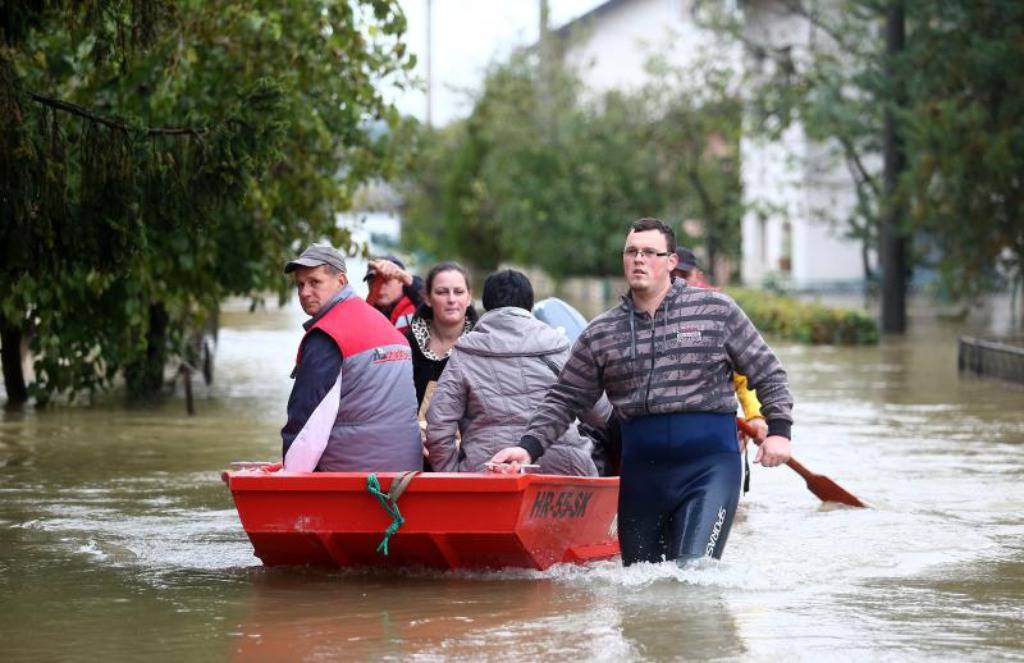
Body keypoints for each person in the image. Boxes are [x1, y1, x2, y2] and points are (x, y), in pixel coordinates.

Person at [489, 218, 794, 566]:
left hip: (708, 467)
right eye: (631, 252)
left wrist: (780, 431)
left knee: (693, 574)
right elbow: (564, 399)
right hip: (641, 477)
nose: (638, 259)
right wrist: (527, 447)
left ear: (671, 261)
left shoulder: (716, 311)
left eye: (650, 252)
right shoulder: (601, 332)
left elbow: (768, 371)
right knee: (639, 588)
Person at [425, 270, 607, 475]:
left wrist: (452, 476)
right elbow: (601, 414)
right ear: (530, 304)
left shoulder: (465, 352)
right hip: (566, 471)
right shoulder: (560, 345)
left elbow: (439, 425)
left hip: (491, 473)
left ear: (486, 305)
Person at [280, 245, 421, 472]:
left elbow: (306, 429)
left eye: (315, 282)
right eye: (300, 284)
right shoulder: (387, 326)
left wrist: (288, 481)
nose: (304, 292)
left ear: (341, 281)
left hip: (355, 481)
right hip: (407, 472)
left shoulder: (327, 336)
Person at [672, 246, 769, 444]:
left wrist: (755, 417)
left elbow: (743, 375)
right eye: (672, 275)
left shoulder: (719, 314)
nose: (678, 281)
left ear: (697, 277)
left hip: (712, 425)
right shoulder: (644, 313)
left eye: (684, 275)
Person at [404, 261, 479, 407]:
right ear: (427, 298)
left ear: (469, 297)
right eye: (442, 292)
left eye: (458, 292)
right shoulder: (406, 346)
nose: (451, 299)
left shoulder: (483, 346)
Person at [364, 255, 424, 335]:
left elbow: (434, 313)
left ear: (401, 281)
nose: (380, 286)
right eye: (373, 280)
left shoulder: (419, 308)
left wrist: (408, 280)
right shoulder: (363, 314)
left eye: (386, 279)